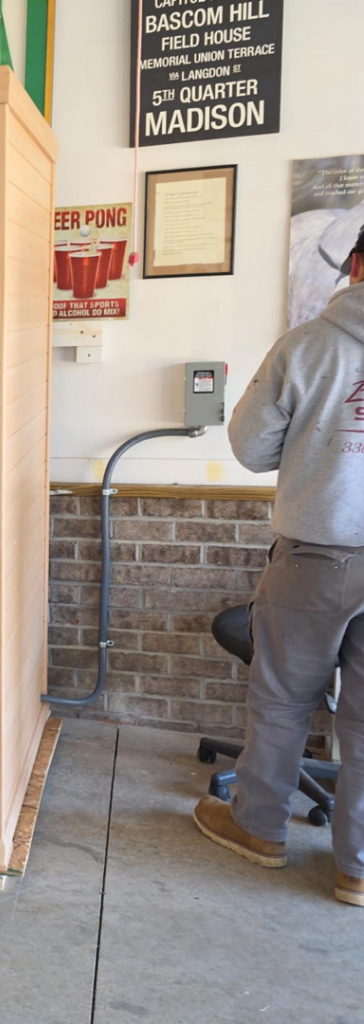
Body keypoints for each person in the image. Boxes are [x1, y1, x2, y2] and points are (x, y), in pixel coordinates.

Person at [193, 225, 364, 906]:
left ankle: (259, 828)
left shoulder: (307, 345)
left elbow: (251, 448)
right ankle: (357, 867)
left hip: (316, 557)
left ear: (355, 264)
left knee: (283, 700)